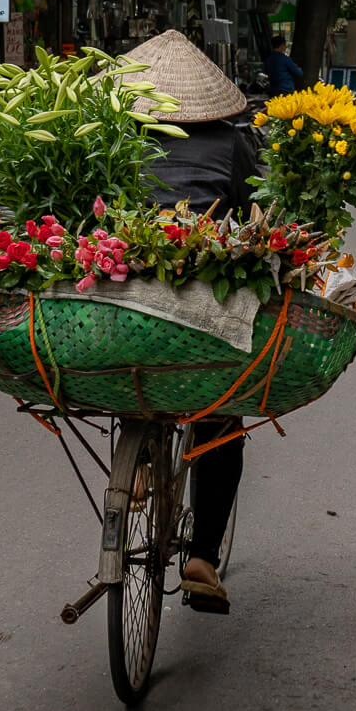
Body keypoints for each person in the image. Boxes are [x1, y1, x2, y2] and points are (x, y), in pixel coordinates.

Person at [123, 30, 259, 612]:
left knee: (132, 370)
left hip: (121, 296)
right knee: (220, 416)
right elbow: (256, 205)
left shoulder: (117, 136)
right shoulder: (232, 141)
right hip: (205, 304)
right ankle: (202, 554)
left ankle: (139, 465)